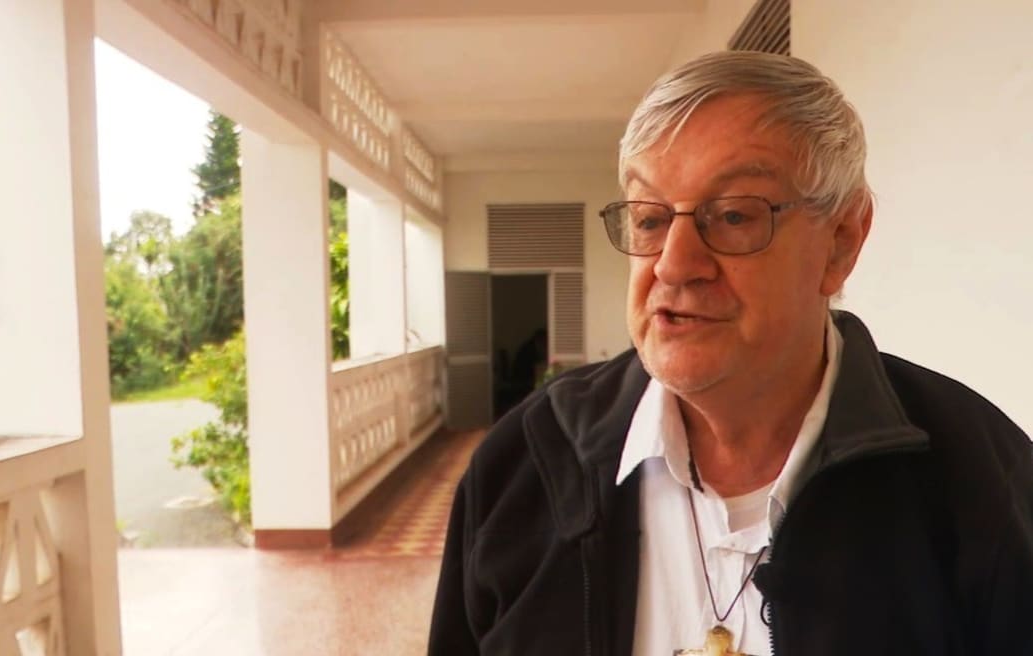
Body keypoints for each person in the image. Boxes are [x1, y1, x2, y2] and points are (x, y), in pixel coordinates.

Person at [428, 51, 1033, 655]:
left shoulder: (982, 482)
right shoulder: (525, 464)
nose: (673, 263)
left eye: (736, 215)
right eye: (648, 219)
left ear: (841, 244)